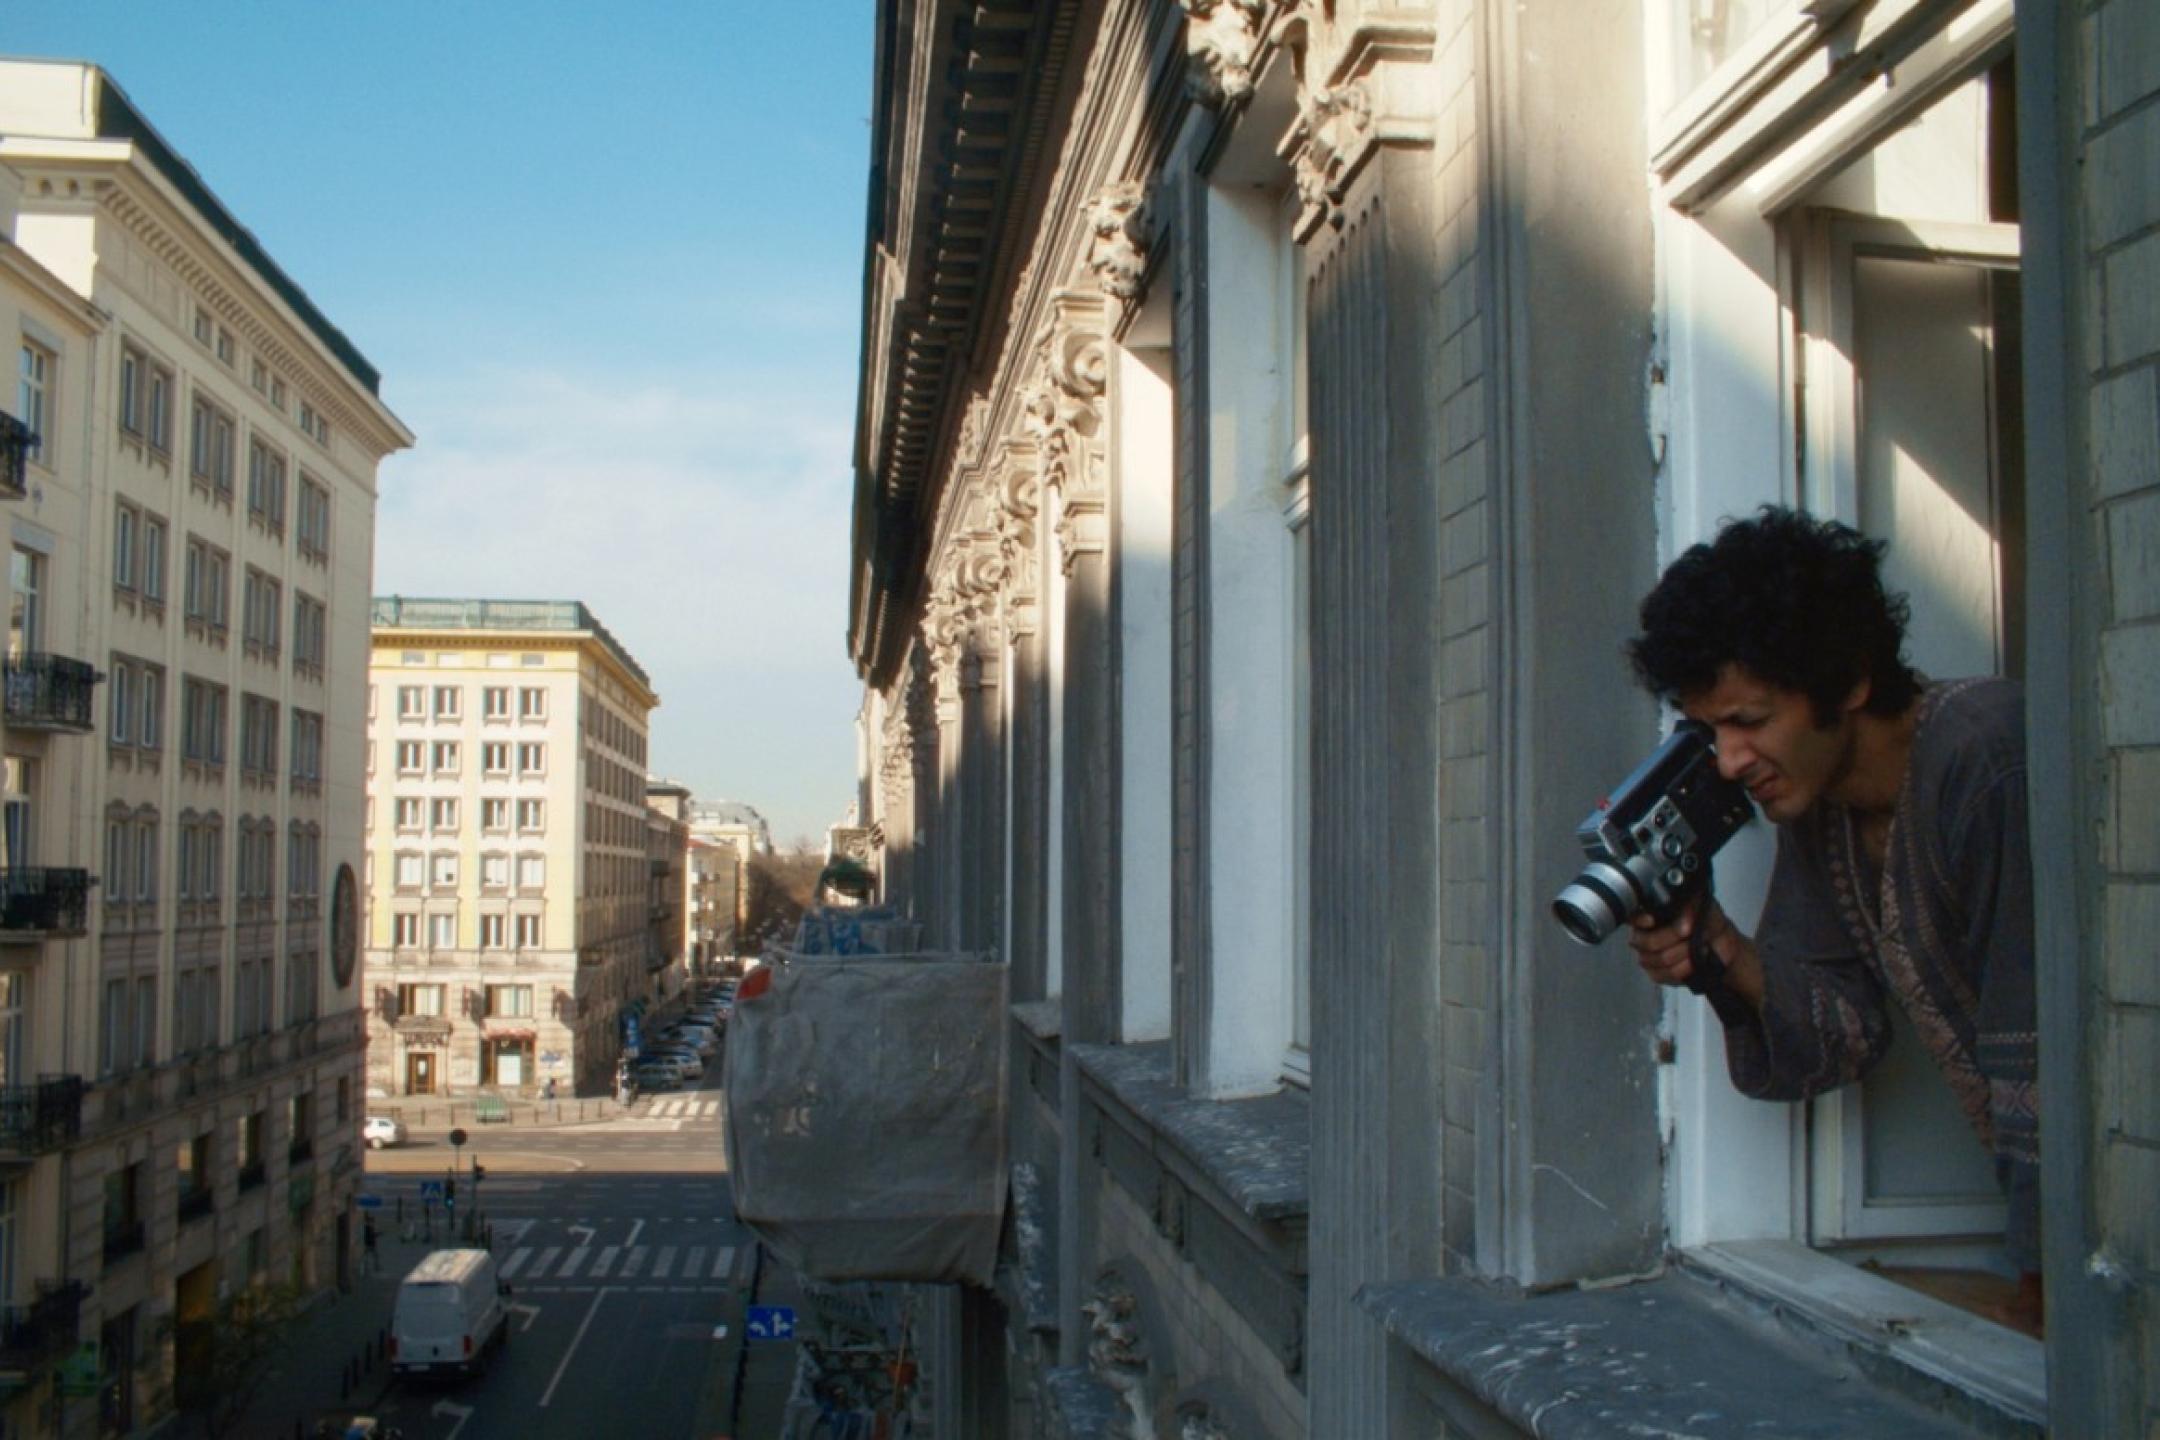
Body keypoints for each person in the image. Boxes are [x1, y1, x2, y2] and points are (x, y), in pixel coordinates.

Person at [1623, 506, 2039, 1328]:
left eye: (1749, 721)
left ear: (1848, 682)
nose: (1732, 761)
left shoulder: (1984, 755)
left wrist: (2043, 1283)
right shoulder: (1822, 809)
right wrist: (1717, 948)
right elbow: (1838, 1040)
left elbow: (2045, 1052)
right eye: (1710, 731)